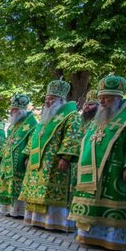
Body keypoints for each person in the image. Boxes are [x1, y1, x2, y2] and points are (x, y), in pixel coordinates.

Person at [69, 76, 126, 251]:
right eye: (100, 97)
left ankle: (118, 240)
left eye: (106, 98)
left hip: (117, 172)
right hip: (92, 172)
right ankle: (91, 236)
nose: (101, 101)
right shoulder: (98, 119)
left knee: (115, 206)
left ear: (117, 98)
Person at [20, 79, 82, 231]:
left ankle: (55, 222)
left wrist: (66, 157)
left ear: (61, 100)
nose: (48, 101)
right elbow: (35, 137)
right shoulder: (46, 118)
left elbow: (73, 137)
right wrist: (28, 154)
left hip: (55, 163)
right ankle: (36, 219)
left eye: (51, 98)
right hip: (38, 162)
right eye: (47, 98)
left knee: (52, 192)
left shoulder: (71, 116)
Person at [0, 94, 37, 216]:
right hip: (7, 162)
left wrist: (27, 155)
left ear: (21, 110)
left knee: (16, 185)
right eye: (11, 109)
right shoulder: (14, 125)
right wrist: (2, 155)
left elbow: (32, 141)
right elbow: (8, 141)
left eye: (14, 110)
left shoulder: (32, 124)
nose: (11, 112)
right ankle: (7, 209)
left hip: (19, 162)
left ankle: (18, 211)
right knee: (6, 185)